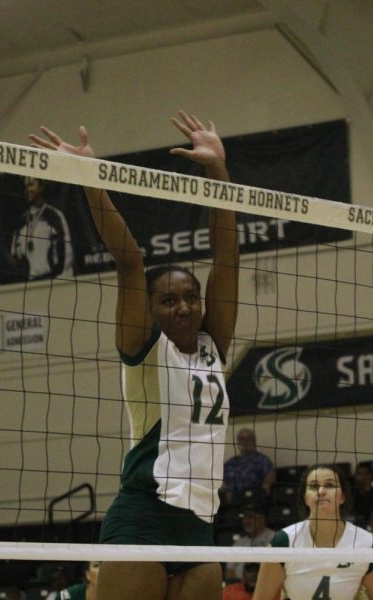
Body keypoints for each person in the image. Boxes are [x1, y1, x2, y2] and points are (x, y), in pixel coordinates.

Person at [29, 112, 239, 600]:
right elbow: (130, 261)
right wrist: (88, 179)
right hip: (143, 518)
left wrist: (219, 173)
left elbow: (227, 257)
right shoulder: (144, 348)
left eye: (191, 296)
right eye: (169, 299)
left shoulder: (213, 346)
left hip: (200, 524)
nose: (184, 305)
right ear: (150, 308)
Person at [253, 464, 373, 600]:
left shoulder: (367, 544)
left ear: (342, 496)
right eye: (313, 486)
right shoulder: (283, 541)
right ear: (305, 498)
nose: (321, 491)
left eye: (329, 485)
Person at [9, 176, 74, 280]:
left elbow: (67, 251)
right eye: (25, 187)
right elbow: (13, 253)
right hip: (30, 284)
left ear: (41, 187)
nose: (27, 190)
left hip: (52, 280)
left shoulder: (55, 216)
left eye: (31, 185)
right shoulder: (22, 220)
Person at [226, 503, 276, 581]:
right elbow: (229, 571)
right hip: (240, 587)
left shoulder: (273, 537)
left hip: (265, 583)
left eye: (250, 517)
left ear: (262, 518)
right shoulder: (239, 543)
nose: (246, 521)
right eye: (244, 518)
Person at [223, 428, 276, 499]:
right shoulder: (230, 463)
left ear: (254, 441)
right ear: (238, 441)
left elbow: (270, 476)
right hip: (231, 502)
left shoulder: (262, 459)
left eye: (249, 438)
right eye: (241, 439)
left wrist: (264, 490)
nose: (245, 441)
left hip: (254, 498)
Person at [350, 463, 373, 529]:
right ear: (355, 476)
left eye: (366, 474)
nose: (363, 477)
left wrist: (367, 492)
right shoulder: (351, 495)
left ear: (371, 476)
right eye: (360, 474)